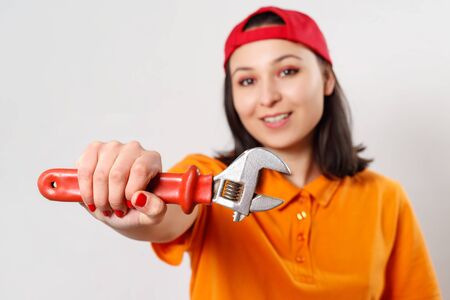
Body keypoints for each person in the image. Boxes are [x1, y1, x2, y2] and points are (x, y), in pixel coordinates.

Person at [76, 6, 441, 299]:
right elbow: (163, 217)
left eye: (287, 71)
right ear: (233, 97)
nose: (267, 97)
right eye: (247, 80)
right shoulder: (206, 177)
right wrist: (128, 203)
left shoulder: (385, 199)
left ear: (327, 79)